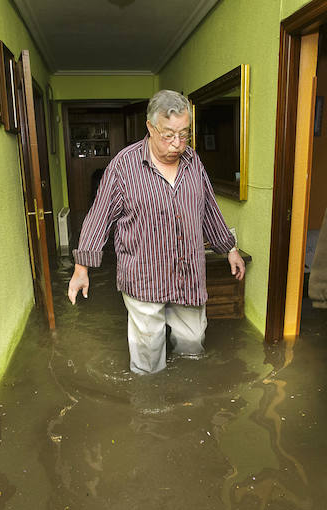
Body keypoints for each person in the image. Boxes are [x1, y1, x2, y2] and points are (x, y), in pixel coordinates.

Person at [67, 90, 245, 375]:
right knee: (148, 357)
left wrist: (230, 249)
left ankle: (187, 404)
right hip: (144, 277)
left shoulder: (193, 162)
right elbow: (98, 216)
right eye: (168, 135)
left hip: (187, 275)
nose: (177, 144)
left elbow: (208, 207)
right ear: (150, 127)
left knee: (193, 344)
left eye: (184, 134)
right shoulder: (123, 167)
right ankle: (150, 410)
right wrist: (81, 268)